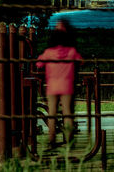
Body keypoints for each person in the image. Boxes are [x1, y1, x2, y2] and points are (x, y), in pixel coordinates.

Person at [36, 20, 82, 148]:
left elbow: (38, 64)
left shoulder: (48, 53)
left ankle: (51, 141)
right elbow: (81, 61)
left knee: (52, 114)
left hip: (52, 87)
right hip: (67, 86)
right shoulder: (72, 51)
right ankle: (69, 141)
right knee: (67, 113)